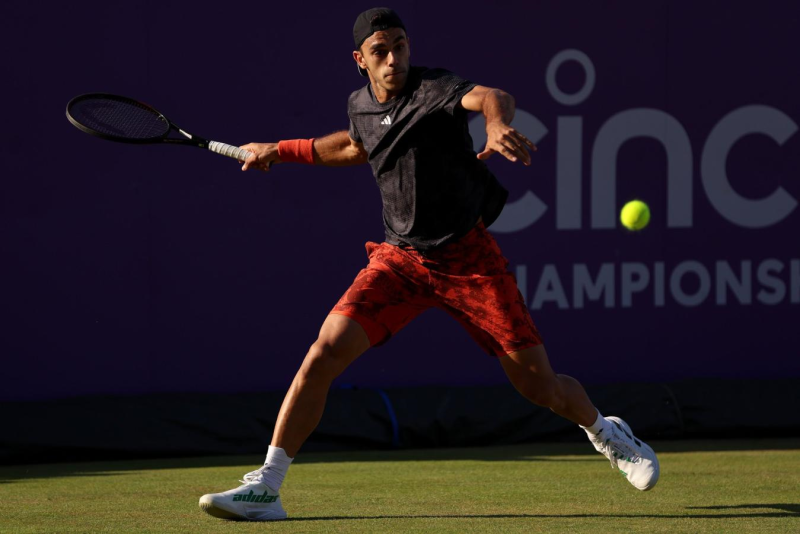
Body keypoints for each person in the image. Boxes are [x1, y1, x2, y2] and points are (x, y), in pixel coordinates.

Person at [199, 7, 659, 521]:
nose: (393, 57)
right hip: (400, 259)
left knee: (539, 386)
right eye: (380, 51)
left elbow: (490, 96)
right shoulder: (361, 107)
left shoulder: (434, 88)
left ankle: (604, 431)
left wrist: (497, 123)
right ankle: (267, 485)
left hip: (469, 260)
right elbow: (354, 145)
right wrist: (277, 150)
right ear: (361, 61)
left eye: (400, 45)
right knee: (324, 351)